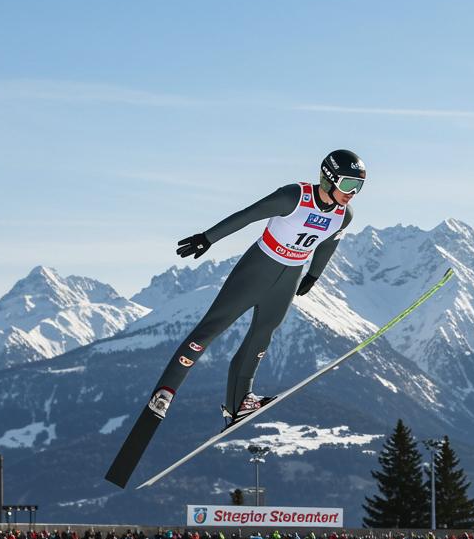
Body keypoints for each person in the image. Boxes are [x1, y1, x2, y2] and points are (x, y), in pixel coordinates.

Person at [140, 150, 365, 432]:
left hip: (290, 276)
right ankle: (166, 391)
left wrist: (314, 274)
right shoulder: (293, 196)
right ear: (329, 178)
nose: (352, 193)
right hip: (258, 268)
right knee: (211, 328)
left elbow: (328, 243)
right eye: (348, 185)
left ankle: (238, 404)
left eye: (358, 187)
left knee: (262, 334)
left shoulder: (344, 215)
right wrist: (207, 238)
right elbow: (248, 215)